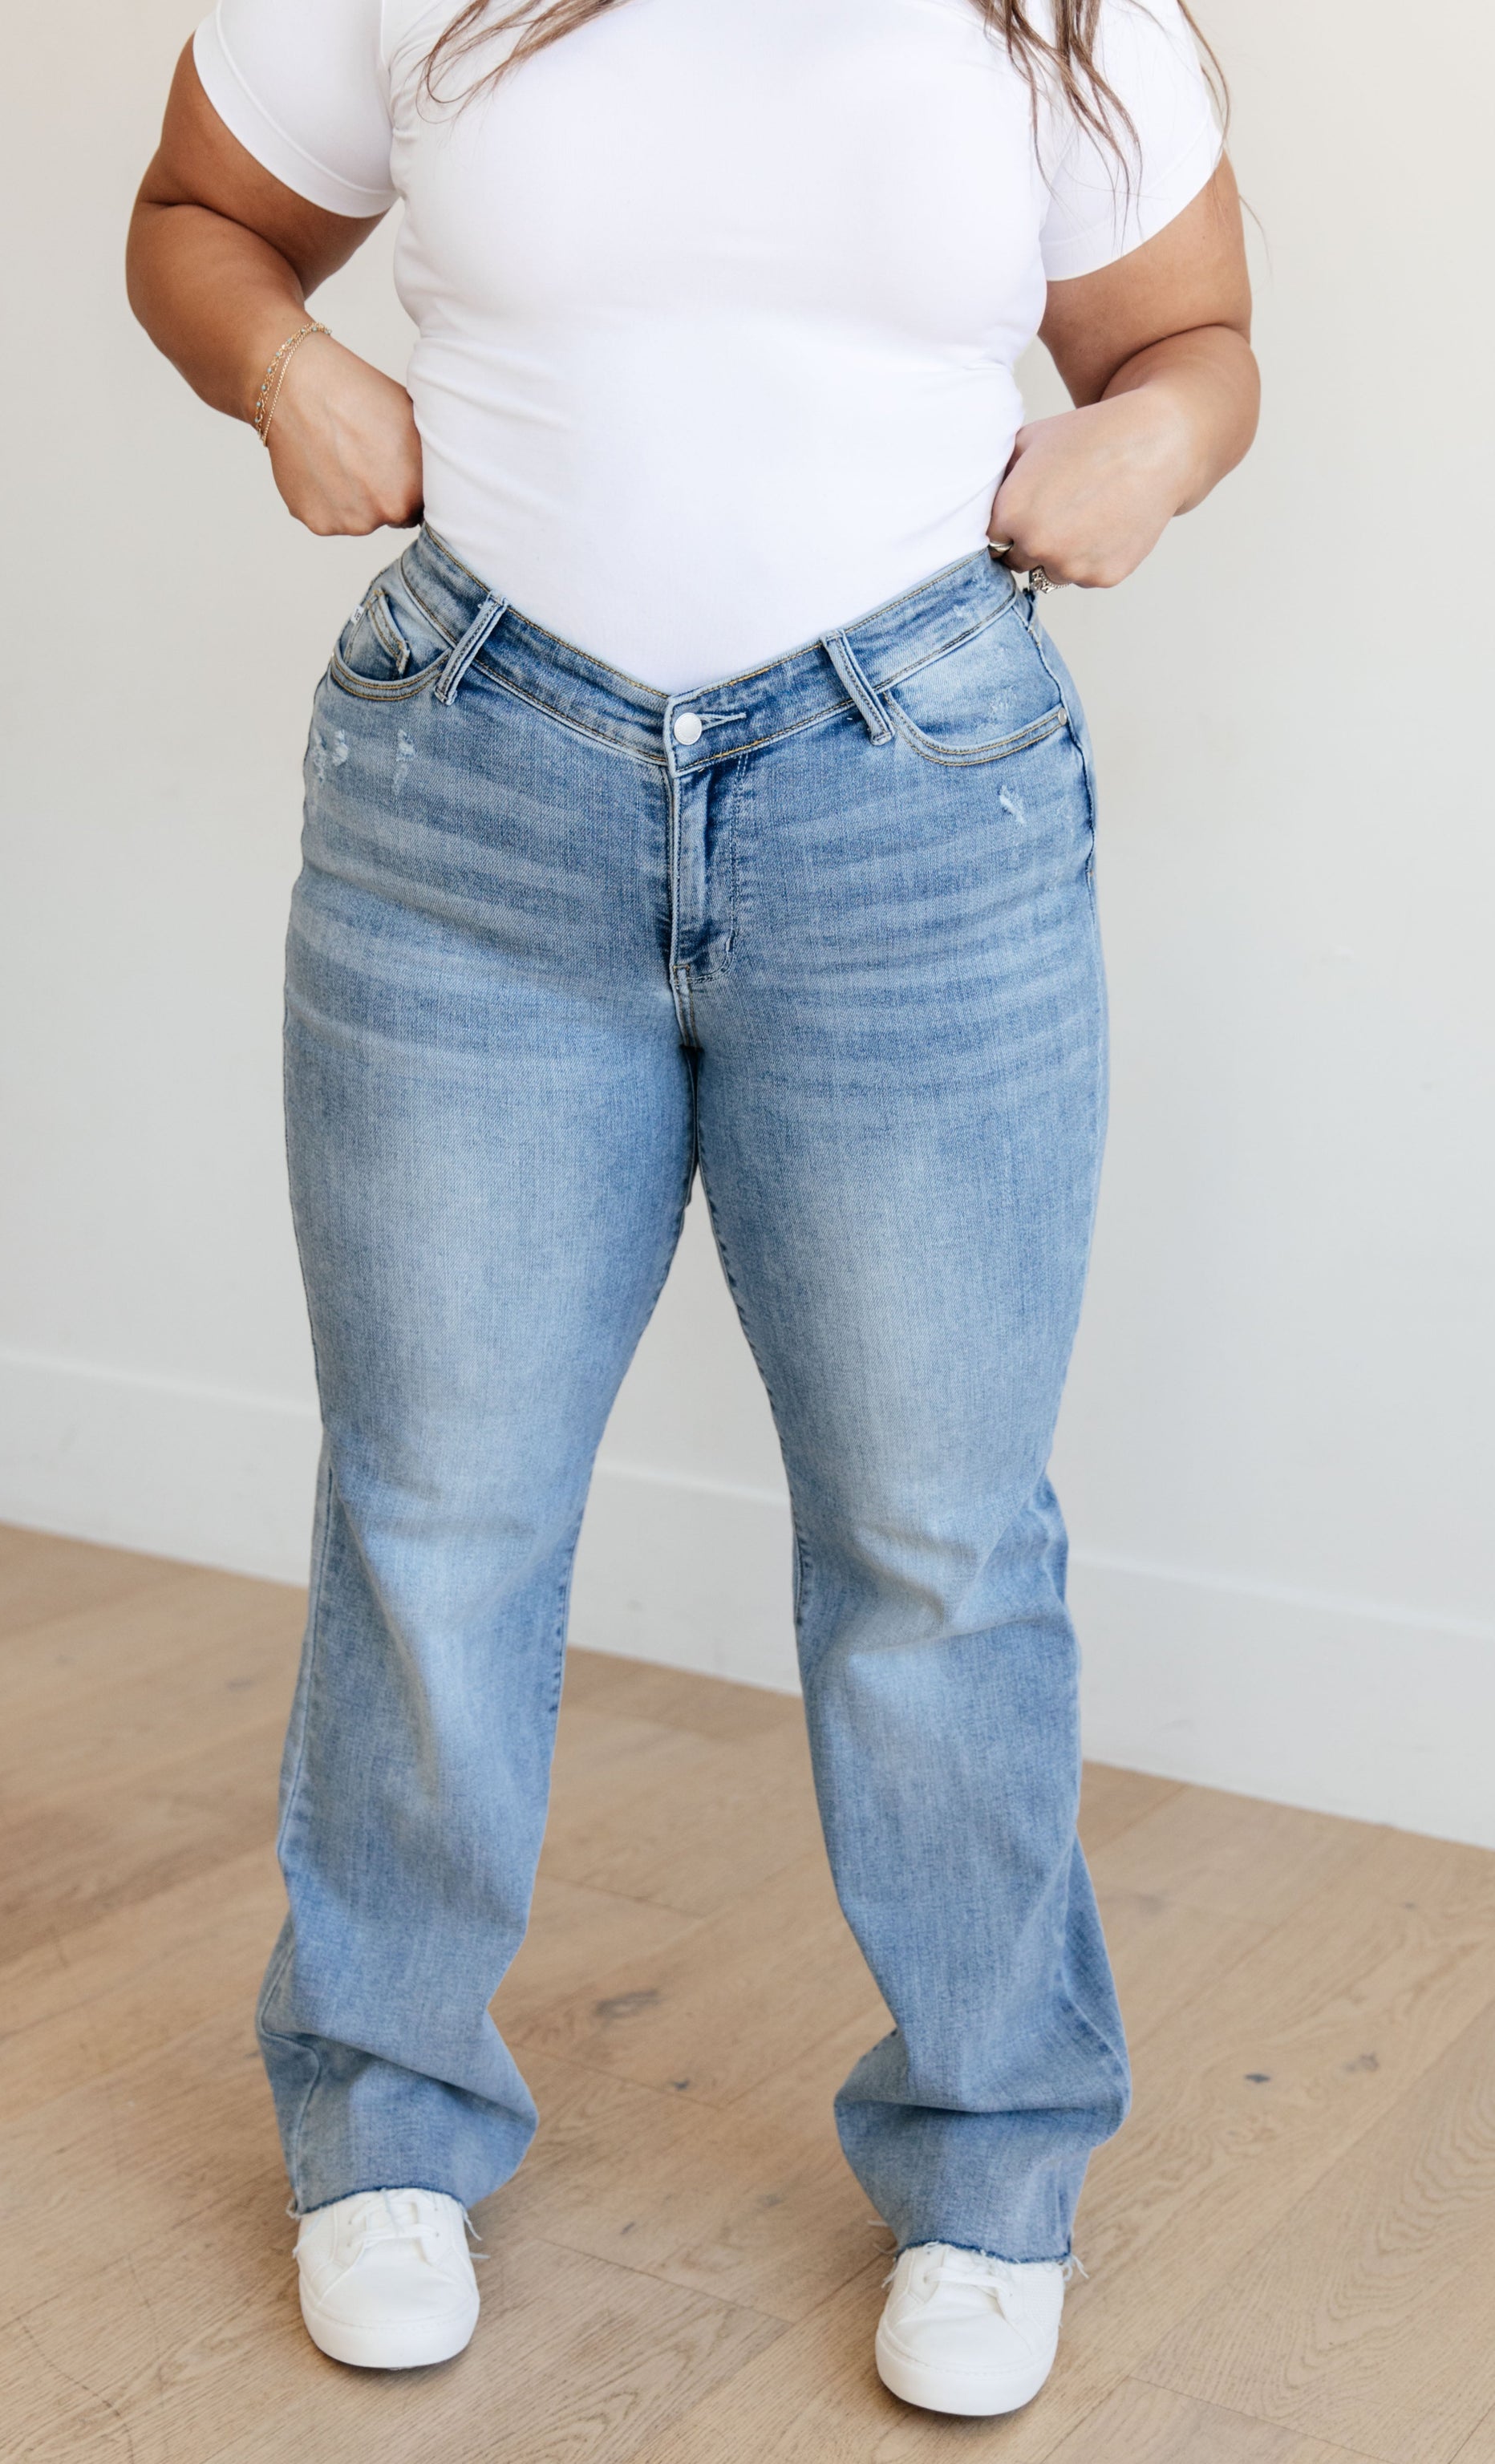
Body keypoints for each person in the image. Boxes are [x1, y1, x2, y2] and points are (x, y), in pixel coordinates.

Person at [126, 0, 1257, 2417]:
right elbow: (201, 221)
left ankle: (992, 2163)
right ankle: (383, 2121)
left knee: (937, 1538)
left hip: (912, 798)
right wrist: (285, 371)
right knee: (436, 1510)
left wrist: (1152, 438)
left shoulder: (1066, 21)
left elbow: (1193, 346)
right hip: (473, 793)